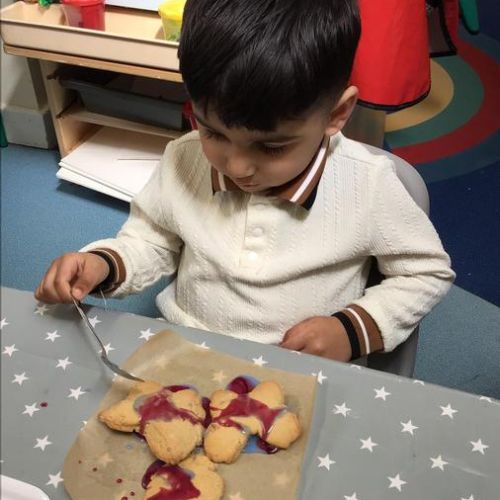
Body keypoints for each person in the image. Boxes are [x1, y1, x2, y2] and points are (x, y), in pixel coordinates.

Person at [35, 0, 455, 363]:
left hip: (298, 367)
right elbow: (152, 241)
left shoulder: (367, 185)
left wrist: (350, 330)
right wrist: (103, 264)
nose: (237, 167)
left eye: (270, 148)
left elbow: (425, 273)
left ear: (335, 115)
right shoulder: (184, 157)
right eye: (213, 132)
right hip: (184, 349)